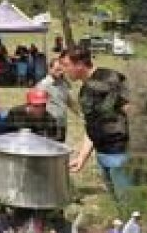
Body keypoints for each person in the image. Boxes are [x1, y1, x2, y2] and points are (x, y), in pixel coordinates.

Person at [62, 47, 134, 206]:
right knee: (117, 203)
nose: (63, 70)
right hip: (103, 155)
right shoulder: (84, 91)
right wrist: (82, 158)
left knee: (129, 203)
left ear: (80, 64)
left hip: (121, 153)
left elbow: (133, 111)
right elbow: (93, 125)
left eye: (66, 65)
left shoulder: (110, 79)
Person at [35, 55, 82, 142]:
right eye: (57, 69)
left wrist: (80, 114)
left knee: (60, 147)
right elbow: (36, 106)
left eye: (61, 70)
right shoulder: (43, 85)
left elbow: (69, 101)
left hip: (62, 123)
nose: (60, 72)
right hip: (49, 125)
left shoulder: (64, 84)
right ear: (50, 69)